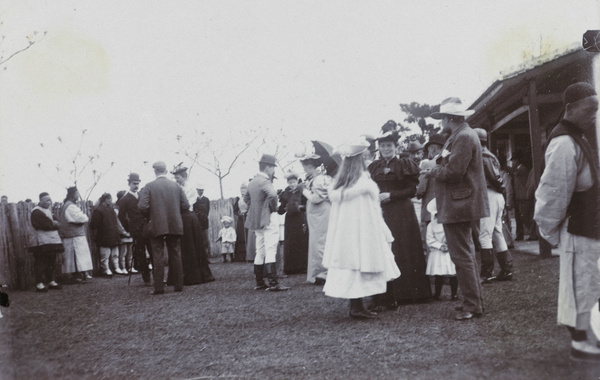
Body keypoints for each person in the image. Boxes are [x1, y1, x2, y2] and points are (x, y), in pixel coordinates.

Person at [534, 82, 600, 360]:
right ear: (570, 109)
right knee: (580, 285)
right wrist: (549, 230)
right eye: (590, 109)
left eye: (597, 109)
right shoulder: (563, 142)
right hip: (576, 228)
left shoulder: (580, 135)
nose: (594, 115)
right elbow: (553, 192)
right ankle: (581, 342)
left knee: (591, 283)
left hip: (590, 227)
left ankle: (590, 337)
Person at [322, 137, 400, 319]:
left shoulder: (340, 184)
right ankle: (356, 307)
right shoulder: (363, 185)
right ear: (358, 161)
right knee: (359, 267)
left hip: (347, 236)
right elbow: (369, 212)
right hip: (362, 234)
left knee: (353, 269)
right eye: (364, 157)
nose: (366, 160)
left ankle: (357, 305)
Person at [428, 97, 489, 320]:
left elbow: (453, 172)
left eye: (441, 118)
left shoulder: (462, 137)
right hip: (460, 203)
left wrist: (431, 171)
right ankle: (472, 301)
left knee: (462, 256)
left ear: (448, 118)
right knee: (466, 255)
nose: (440, 122)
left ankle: (472, 305)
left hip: (459, 204)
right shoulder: (460, 135)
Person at [368, 122, 432, 309]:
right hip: (381, 213)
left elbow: (413, 189)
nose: (386, 149)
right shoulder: (374, 167)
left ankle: (410, 292)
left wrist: (392, 195)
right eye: (383, 146)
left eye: (389, 145)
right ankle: (386, 294)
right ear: (379, 148)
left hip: (401, 212)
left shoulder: (405, 163)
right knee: (385, 249)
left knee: (404, 248)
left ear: (396, 147)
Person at [138, 161, 189, 295]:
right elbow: (185, 205)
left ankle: (159, 287)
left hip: (156, 225)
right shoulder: (176, 186)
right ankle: (178, 285)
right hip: (174, 224)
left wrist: (151, 215)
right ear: (166, 171)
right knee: (176, 254)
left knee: (157, 255)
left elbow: (142, 206)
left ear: (155, 171)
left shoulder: (149, 186)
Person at [474, 128, 513, 283]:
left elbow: (495, 178)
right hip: (495, 196)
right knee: (496, 232)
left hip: (490, 194)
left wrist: (500, 189)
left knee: (485, 234)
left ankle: (487, 273)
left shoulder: (483, 156)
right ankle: (507, 269)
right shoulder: (487, 155)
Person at [245, 154, 289, 291]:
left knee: (260, 250)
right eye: (273, 168)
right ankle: (273, 283)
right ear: (268, 167)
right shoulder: (265, 181)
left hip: (256, 220)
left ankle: (259, 282)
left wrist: (256, 208)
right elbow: (273, 195)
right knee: (270, 249)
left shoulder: (252, 181)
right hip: (268, 218)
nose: (273, 171)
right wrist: (271, 207)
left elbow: (246, 199)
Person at [172, 164, 214, 285]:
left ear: (184, 176)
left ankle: (194, 276)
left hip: (188, 217)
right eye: (175, 178)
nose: (176, 180)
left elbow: (186, 204)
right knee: (183, 245)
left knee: (190, 245)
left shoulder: (190, 188)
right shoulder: (177, 187)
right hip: (181, 216)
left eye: (178, 177)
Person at [301, 154, 330, 285]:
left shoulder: (319, 180)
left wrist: (304, 191)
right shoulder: (315, 179)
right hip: (316, 215)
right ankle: (318, 273)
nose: (304, 170)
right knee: (316, 242)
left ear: (311, 167)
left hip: (321, 214)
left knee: (320, 242)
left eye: (305, 167)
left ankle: (323, 273)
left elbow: (317, 198)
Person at [117, 173, 152, 285]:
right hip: (137, 231)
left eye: (137, 183)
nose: (136, 186)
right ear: (129, 184)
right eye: (134, 184)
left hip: (147, 229)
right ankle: (147, 279)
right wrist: (130, 228)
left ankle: (158, 278)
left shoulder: (142, 195)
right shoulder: (125, 199)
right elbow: (121, 217)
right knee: (140, 254)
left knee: (152, 251)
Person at [417, 133, 447, 252]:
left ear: (433, 148)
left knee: (431, 244)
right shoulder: (447, 162)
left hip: (430, 210)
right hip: (446, 210)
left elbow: (420, 190)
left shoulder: (427, 164)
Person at [28, 192, 64, 292]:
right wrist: (54, 224)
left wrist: (54, 223)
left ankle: (51, 281)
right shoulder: (36, 212)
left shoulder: (48, 211)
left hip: (50, 241)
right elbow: (44, 224)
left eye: (50, 200)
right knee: (41, 262)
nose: (49, 202)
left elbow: (56, 221)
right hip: (40, 242)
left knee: (51, 261)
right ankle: (39, 283)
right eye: (47, 200)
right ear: (41, 201)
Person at [58, 186, 94, 283]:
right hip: (73, 236)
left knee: (78, 256)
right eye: (77, 194)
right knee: (76, 256)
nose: (78, 196)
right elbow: (82, 218)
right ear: (73, 195)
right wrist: (84, 217)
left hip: (75, 235)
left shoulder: (69, 205)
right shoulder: (70, 206)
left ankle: (80, 275)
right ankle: (76, 276)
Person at [425, 199, 457, 301]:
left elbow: (455, 235)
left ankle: (454, 294)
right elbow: (429, 239)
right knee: (438, 274)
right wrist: (439, 246)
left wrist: (449, 244)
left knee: (453, 273)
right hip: (438, 252)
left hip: (450, 250)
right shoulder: (431, 225)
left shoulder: (451, 222)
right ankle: (437, 293)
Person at [277, 171, 309, 274]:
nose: (292, 184)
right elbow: (281, 210)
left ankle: (303, 266)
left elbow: (307, 205)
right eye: (290, 182)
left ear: (297, 182)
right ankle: (290, 268)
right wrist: (284, 208)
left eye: (294, 182)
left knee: (302, 241)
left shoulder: (302, 192)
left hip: (300, 218)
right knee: (290, 242)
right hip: (290, 219)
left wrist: (299, 207)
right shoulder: (285, 193)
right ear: (287, 183)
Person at [90, 193, 121, 277]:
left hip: (113, 234)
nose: (111, 201)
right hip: (104, 235)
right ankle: (106, 269)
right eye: (110, 199)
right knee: (105, 254)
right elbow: (94, 224)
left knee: (115, 253)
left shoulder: (111, 209)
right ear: (106, 199)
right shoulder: (98, 210)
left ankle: (116, 267)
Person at [510, 155, 532, 241]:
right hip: (518, 196)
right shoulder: (518, 170)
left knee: (524, 216)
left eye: (513, 161)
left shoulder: (522, 169)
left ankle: (531, 232)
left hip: (522, 196)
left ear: (517, 160)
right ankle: (520, 234)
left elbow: (512, 172)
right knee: (519, 216)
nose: (512, 163)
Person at [114, 191, 133, 275]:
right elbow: (117, 221)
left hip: (130, 230)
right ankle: (123, 267)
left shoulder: (128, 207)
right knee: (123, 252)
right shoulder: (117, 208)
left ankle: (130, 267)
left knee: (130, 251)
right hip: (123, 232)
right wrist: (123, 232)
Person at [193, 183, 212, 260]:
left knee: (205, 241)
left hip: (204, 223)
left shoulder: (206, 200)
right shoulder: (194, 200)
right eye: (200, 190)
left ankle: (206, 258)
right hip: (196, 223)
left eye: (202, 190)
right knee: (197, 240)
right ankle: (198, 258)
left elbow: (207, 211)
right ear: (197, 190)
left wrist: (204, 218)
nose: (201, 192)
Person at [233, 181, 250, 262]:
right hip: (241, 220)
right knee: (240, 236)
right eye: (241, 189)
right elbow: (235, 210)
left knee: (247, 236)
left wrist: (247, 213)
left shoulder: (249, 199)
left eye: (244, 189)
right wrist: (239, 214)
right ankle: (240, 257)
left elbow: (250, 208)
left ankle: (249, 255)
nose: (243, 191)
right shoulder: (238, 199)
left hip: (247, 218)